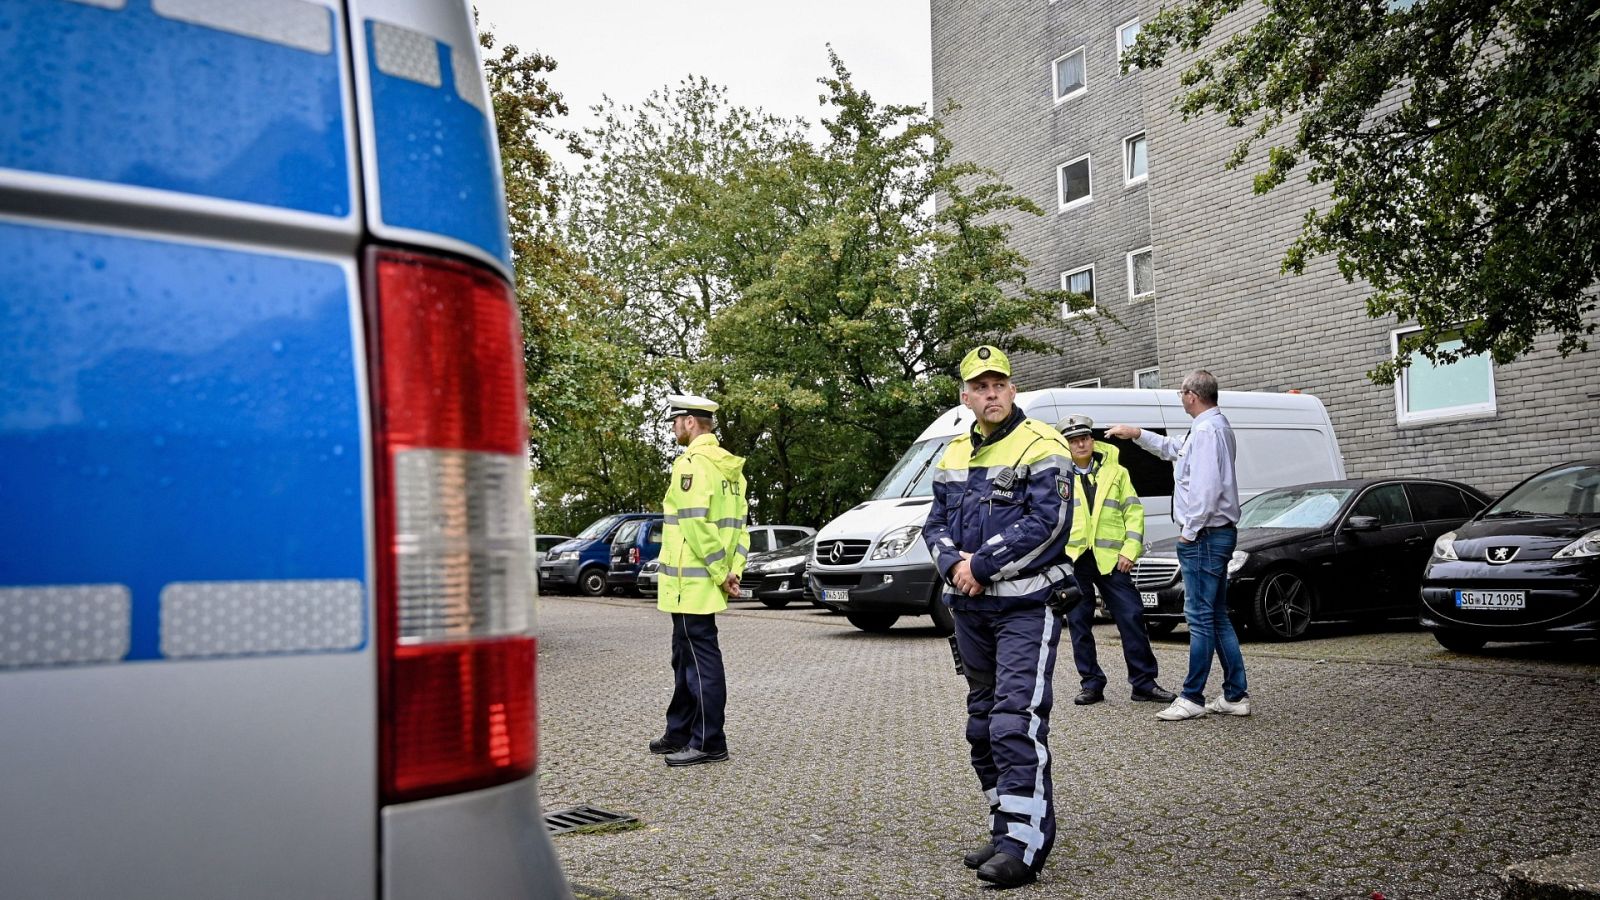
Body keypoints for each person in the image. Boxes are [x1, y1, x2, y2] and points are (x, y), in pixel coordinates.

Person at [922, 345, 1075, 889]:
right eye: (979, 387)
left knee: (1015, 722)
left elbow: (1049, 523)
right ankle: (1004, 821)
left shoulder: (1042, 443)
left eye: (999, 385)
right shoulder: (953, 452)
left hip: (1024, 608)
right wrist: (954, 566)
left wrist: (980, 566)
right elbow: (934, 522)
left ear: (1013, 391)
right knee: (982, 727)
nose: (990, 394)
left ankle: (1025, 844)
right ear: (965, 397)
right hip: (970, 607)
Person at [1105, 370, 1249, 721]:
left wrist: (1189, 531)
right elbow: (1174, 451)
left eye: (1180, 394)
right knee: (1216, 617)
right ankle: (1234, 694)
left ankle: (1192, 697)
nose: (1179, 398)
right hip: (1213, 534)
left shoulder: (1206, 430)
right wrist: (1137, 434)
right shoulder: (1208, 427)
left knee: (1198, 618)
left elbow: (1206, 488)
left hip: (1204, 536)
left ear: (1190, 395)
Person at [650, 393, 750, 766]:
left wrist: (720, 572)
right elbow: (739, 529)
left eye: (676, 421)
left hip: (692, 583)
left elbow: (694, 524)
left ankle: (709, 742)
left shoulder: (691, 465)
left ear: (690, 422)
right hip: (701, 582)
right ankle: (680, 731)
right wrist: (732, 570)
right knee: (684, 659)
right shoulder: (731, 471)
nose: (675, 428)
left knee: (700, 661)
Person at [1056, 414, 1176, 707]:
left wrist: (1129, 550)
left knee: (1132, 616)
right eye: (1073, 440)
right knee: (1079, 623)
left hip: (1113, 558)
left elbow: (1133, 512)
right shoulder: (1057, 477)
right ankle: (1091, 684)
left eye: (1084, 437)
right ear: (1066, 445)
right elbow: (1051, 521)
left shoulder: (1116, 472)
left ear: (1091, 440)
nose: (1080, 443)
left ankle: (1144, 683)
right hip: (1075, 559)